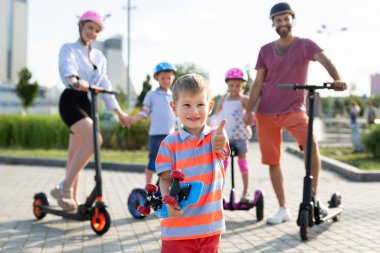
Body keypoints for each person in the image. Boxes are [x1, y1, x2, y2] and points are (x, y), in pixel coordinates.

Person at [244, 2, 347, 224]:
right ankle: (283, 208)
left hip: (294, 109)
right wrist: (248, 110)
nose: (282, 22)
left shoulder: (305, 45)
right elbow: (258, 83)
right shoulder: (265, 50)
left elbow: (325, 60)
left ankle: (313, 197)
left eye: (285, 18)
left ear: (292, 19)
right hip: (266, 112)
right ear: (272, 23)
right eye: (277, 19)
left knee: (311, 146)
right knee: (273, 160)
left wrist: (337, 78)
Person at [51, 10, 131, 211]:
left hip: (89, 103)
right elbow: (66, 67)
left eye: (96, 30)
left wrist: (119, 112)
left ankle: (69, 198)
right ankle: (65, 187)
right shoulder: (68, 48)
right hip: (71, 100)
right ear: (81, 26)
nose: (92, 33)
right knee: (96, 140)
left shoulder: (99, 56)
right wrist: (75, 81)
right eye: (89, 28)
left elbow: (104, 82)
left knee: (75, 156)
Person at [156, 73, 229, 252]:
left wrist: (222, 139)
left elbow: (222, 142)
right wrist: (168, 202)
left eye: (200, 105)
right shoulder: (168, 144)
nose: (194, 111)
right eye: (187, 105)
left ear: (210, 106)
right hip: (177, 230)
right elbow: (165, 180)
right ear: (174, 107)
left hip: (210, 229)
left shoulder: (214, 137)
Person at [130, 62, 176, 184]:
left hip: (170, 136)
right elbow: (144, 112)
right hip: (155, 135)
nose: (166, 80)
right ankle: (148, 188)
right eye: (163, 78)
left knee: (170, 163)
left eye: (169, 77)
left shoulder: (174, 96)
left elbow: (178, 115)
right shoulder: (152, 95)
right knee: (152, 162)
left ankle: (164, 187)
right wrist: (133, 119)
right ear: (156, 78)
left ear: (173, 78)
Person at [214, 67, 253, 203]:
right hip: (226, 137)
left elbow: (250, 115)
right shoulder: (223, 101)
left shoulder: (244, 100)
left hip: (241, 136)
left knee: (242, 163)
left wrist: (251, 119)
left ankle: (245, 192)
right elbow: (217, 116)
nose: (235, 88)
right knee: (222, 164)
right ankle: (220, 192)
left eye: (238, 85)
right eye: (232, 85)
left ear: (243, 86)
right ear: (227, 85)